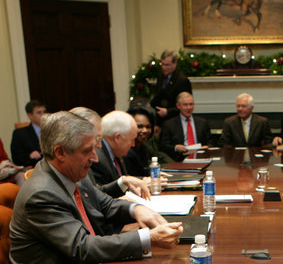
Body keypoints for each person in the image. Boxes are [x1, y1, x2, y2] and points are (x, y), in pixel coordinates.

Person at [9, 111, 183, 263]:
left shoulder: (72, 172)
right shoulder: (41, 194)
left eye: (95, 149)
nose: (95, 158)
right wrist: (149, 237)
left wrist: (136, 209)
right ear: (60, 152)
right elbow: (82, 248)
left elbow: (104, 204)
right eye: (87, 151)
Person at [70, 107, 150, 199]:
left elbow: (95, 194)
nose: (133, 145)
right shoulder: (96, 159)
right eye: (96, 139)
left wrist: (137, 182)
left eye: (99, 139)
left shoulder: (116, 152)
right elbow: (96, 199)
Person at [90, 111, 138, 186]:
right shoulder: (98, 159)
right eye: (132, 139)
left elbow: (124, 180)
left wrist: (141, 181)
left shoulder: (116, 151)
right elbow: (102, 194)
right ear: (118, 137)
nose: (133, 144)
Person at [160, 92, 211, 161]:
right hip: (179, 160)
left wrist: (207, 147)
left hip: (200, 158)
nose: (189, 108)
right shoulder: (169, 124)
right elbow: (163, 146)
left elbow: (211, 142)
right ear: (178, 106)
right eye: (185, 105)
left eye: (191, 104)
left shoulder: (202, 122)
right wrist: (176, 147)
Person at [124, 106, 172, 175]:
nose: (145, 130)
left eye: (148, 127)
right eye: (140, 126)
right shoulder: (126, 151)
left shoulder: (143, 148)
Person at [150, 50, 192, 125]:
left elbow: (186, 106)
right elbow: (158, 99)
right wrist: (157, 123)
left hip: (176, 122)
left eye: (167, 65)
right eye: (162, 64)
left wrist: (167, 112)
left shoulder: (182, 80)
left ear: (175, 63)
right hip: (162, 121)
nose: (164, 68)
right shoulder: (160, 76)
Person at [10, 100, 46, 166]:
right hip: (34, 168)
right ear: (30, 115)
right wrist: (29, 156)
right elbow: (16, 158)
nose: (43, 115)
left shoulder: (52, 129)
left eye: (44, 112)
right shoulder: (20, 133)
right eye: (39, 112)